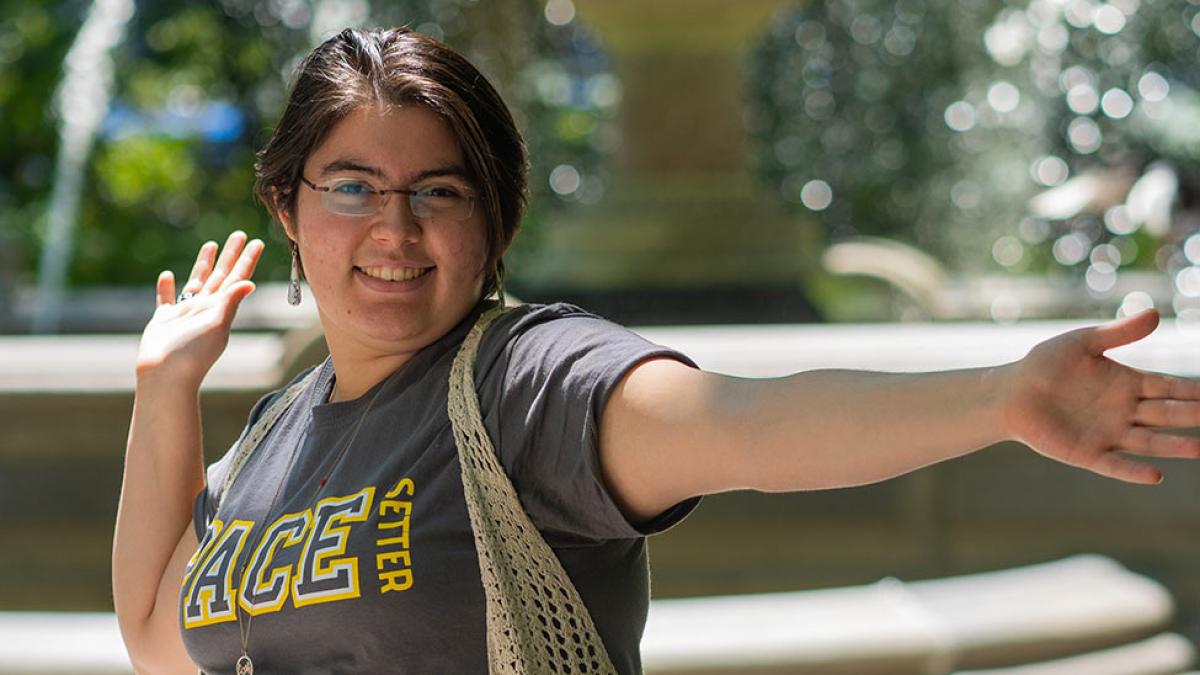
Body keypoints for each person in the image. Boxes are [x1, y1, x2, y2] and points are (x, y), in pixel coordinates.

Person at [112, 26, 1200, 675]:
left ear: (496, 220)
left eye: (439, 192)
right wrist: (165, 390)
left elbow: (744, 425)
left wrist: (1001, 396)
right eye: (352, 188)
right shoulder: (276, 432)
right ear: (286, 207)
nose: (395, 231)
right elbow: (162, 641)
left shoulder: (523, 385)